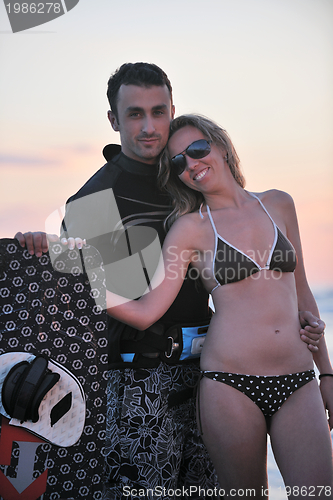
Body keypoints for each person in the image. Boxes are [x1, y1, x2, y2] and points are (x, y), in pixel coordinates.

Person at [14, 65, 326, 498]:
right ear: (114, 121)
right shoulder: (95, 200)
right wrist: (61, 254)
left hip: (210, 372)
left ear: (172, 111)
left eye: (158, 112)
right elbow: (120, 300)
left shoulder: (190, 177)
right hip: (146, 382)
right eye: (135, 114)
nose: (148, 127)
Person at [101, 114, 333, 497]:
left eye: (197, 150)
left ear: (221, 146)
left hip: (298, 383)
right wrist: (89, 279)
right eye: (179, 162)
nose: (191, 164)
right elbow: (145, 312)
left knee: (318, 493)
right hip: (230, 386)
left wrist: (326, 374)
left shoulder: (279, 204)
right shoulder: (190, 229)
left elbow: (304, 298)